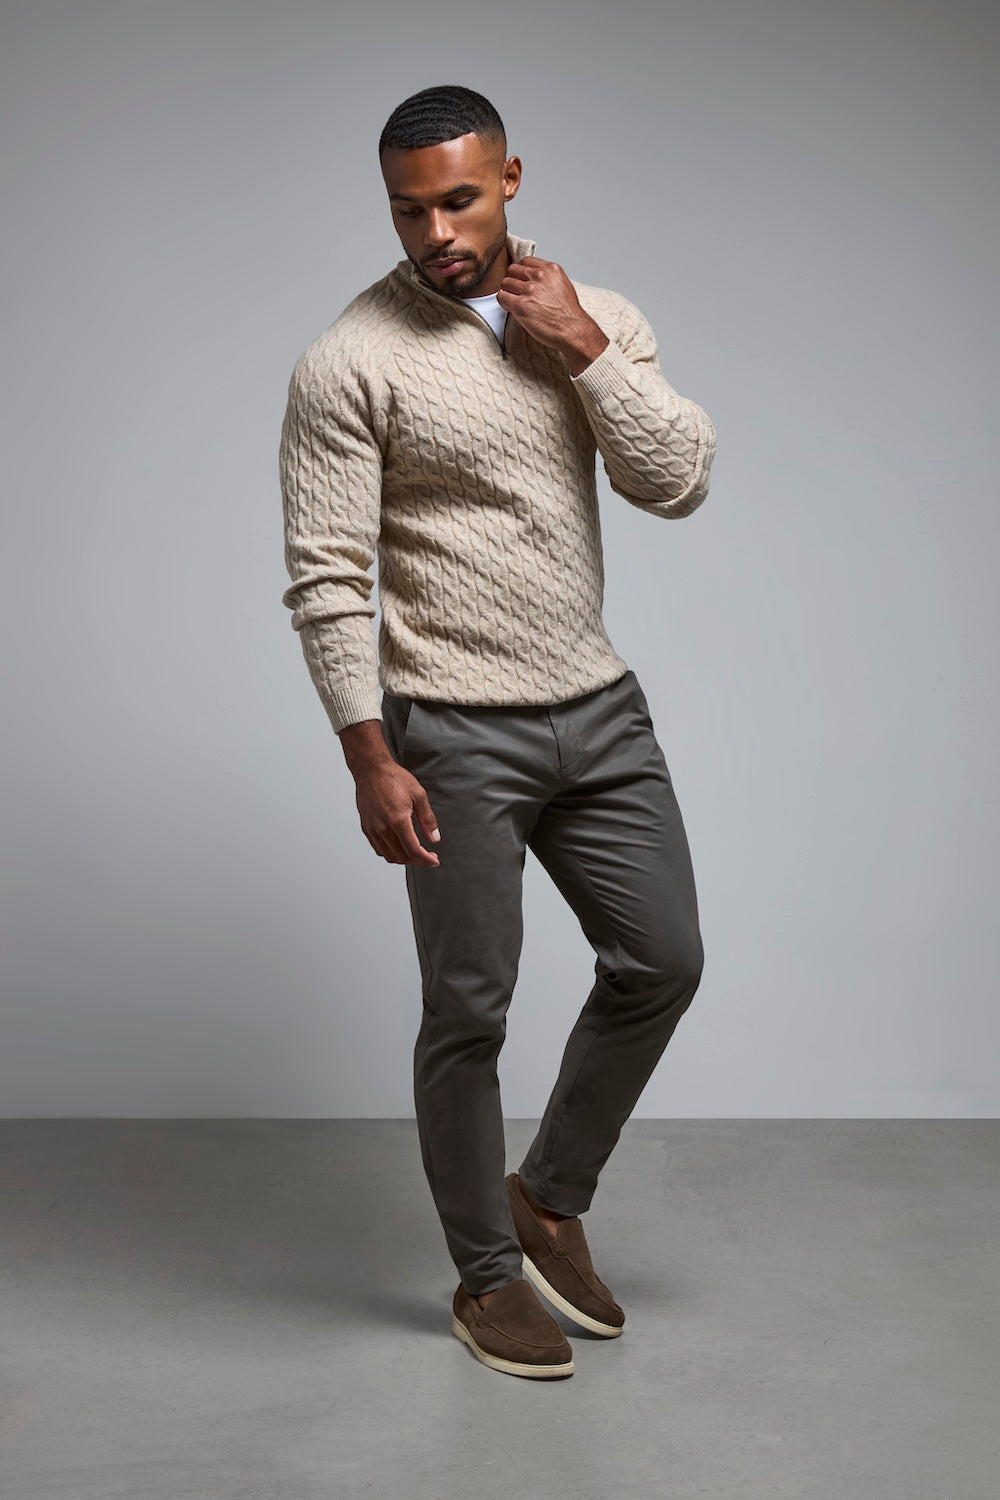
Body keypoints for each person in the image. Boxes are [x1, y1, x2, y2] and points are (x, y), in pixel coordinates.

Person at [278, 83, 717, 1381]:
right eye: (408, 211)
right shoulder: (349, 358)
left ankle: (549, 1196)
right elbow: (328, 574)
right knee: (469, 1010)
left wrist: (583, 346)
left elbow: (678, 481)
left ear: (511, 180)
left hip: (599, 711)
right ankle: (484, 1278)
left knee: (663, 959)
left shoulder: (594, 314)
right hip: (452, 732)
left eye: (459, 201)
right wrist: (369, 750)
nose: (437, 234)